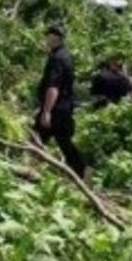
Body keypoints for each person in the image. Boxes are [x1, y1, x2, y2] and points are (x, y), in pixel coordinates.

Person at [35, 25, 86, 178]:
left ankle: (81, 170)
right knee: (59, 140)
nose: (46, 39)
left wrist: (47, 112)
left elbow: (53, 87)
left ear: (55, 37)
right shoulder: (65, 55)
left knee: (40, 137)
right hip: (63, 107)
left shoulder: (57, 58)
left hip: (56, 109)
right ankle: (80, 170)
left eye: (48, 36)